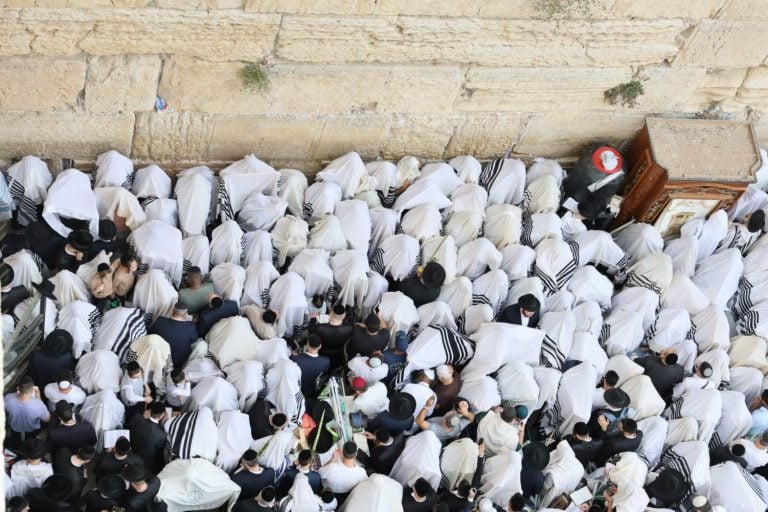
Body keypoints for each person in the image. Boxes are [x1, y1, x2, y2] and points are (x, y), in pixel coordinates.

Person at [4, 375, 50, 447]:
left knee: (15, 441)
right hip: (31, 429)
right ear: (32, 390)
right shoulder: (39, 405)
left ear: (18, 388)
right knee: (29, 442)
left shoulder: (7, 398)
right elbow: (47, 419)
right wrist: (38, 397)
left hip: (14, 427)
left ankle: (16, 447)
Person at [150, 302, 199, 368]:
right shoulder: (191, 326)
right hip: (179, 360)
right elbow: (194, 340)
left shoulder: (160, 321)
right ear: (185, 314)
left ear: (172, 311)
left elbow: (151, 333)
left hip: (160, 357)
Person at [129, 402, 168, 474]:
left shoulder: (136, 418)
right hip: (147, 464)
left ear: (150, 411)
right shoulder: (162, 435)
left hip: (131, 454)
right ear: (162, 415)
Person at [311, 303, 353, 368]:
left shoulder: (320, 328)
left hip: (322, 353)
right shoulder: (350, 328)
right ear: (344, 316)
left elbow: (312, 337)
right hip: (338, 353)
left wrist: (313, 320)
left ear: (331, 313)